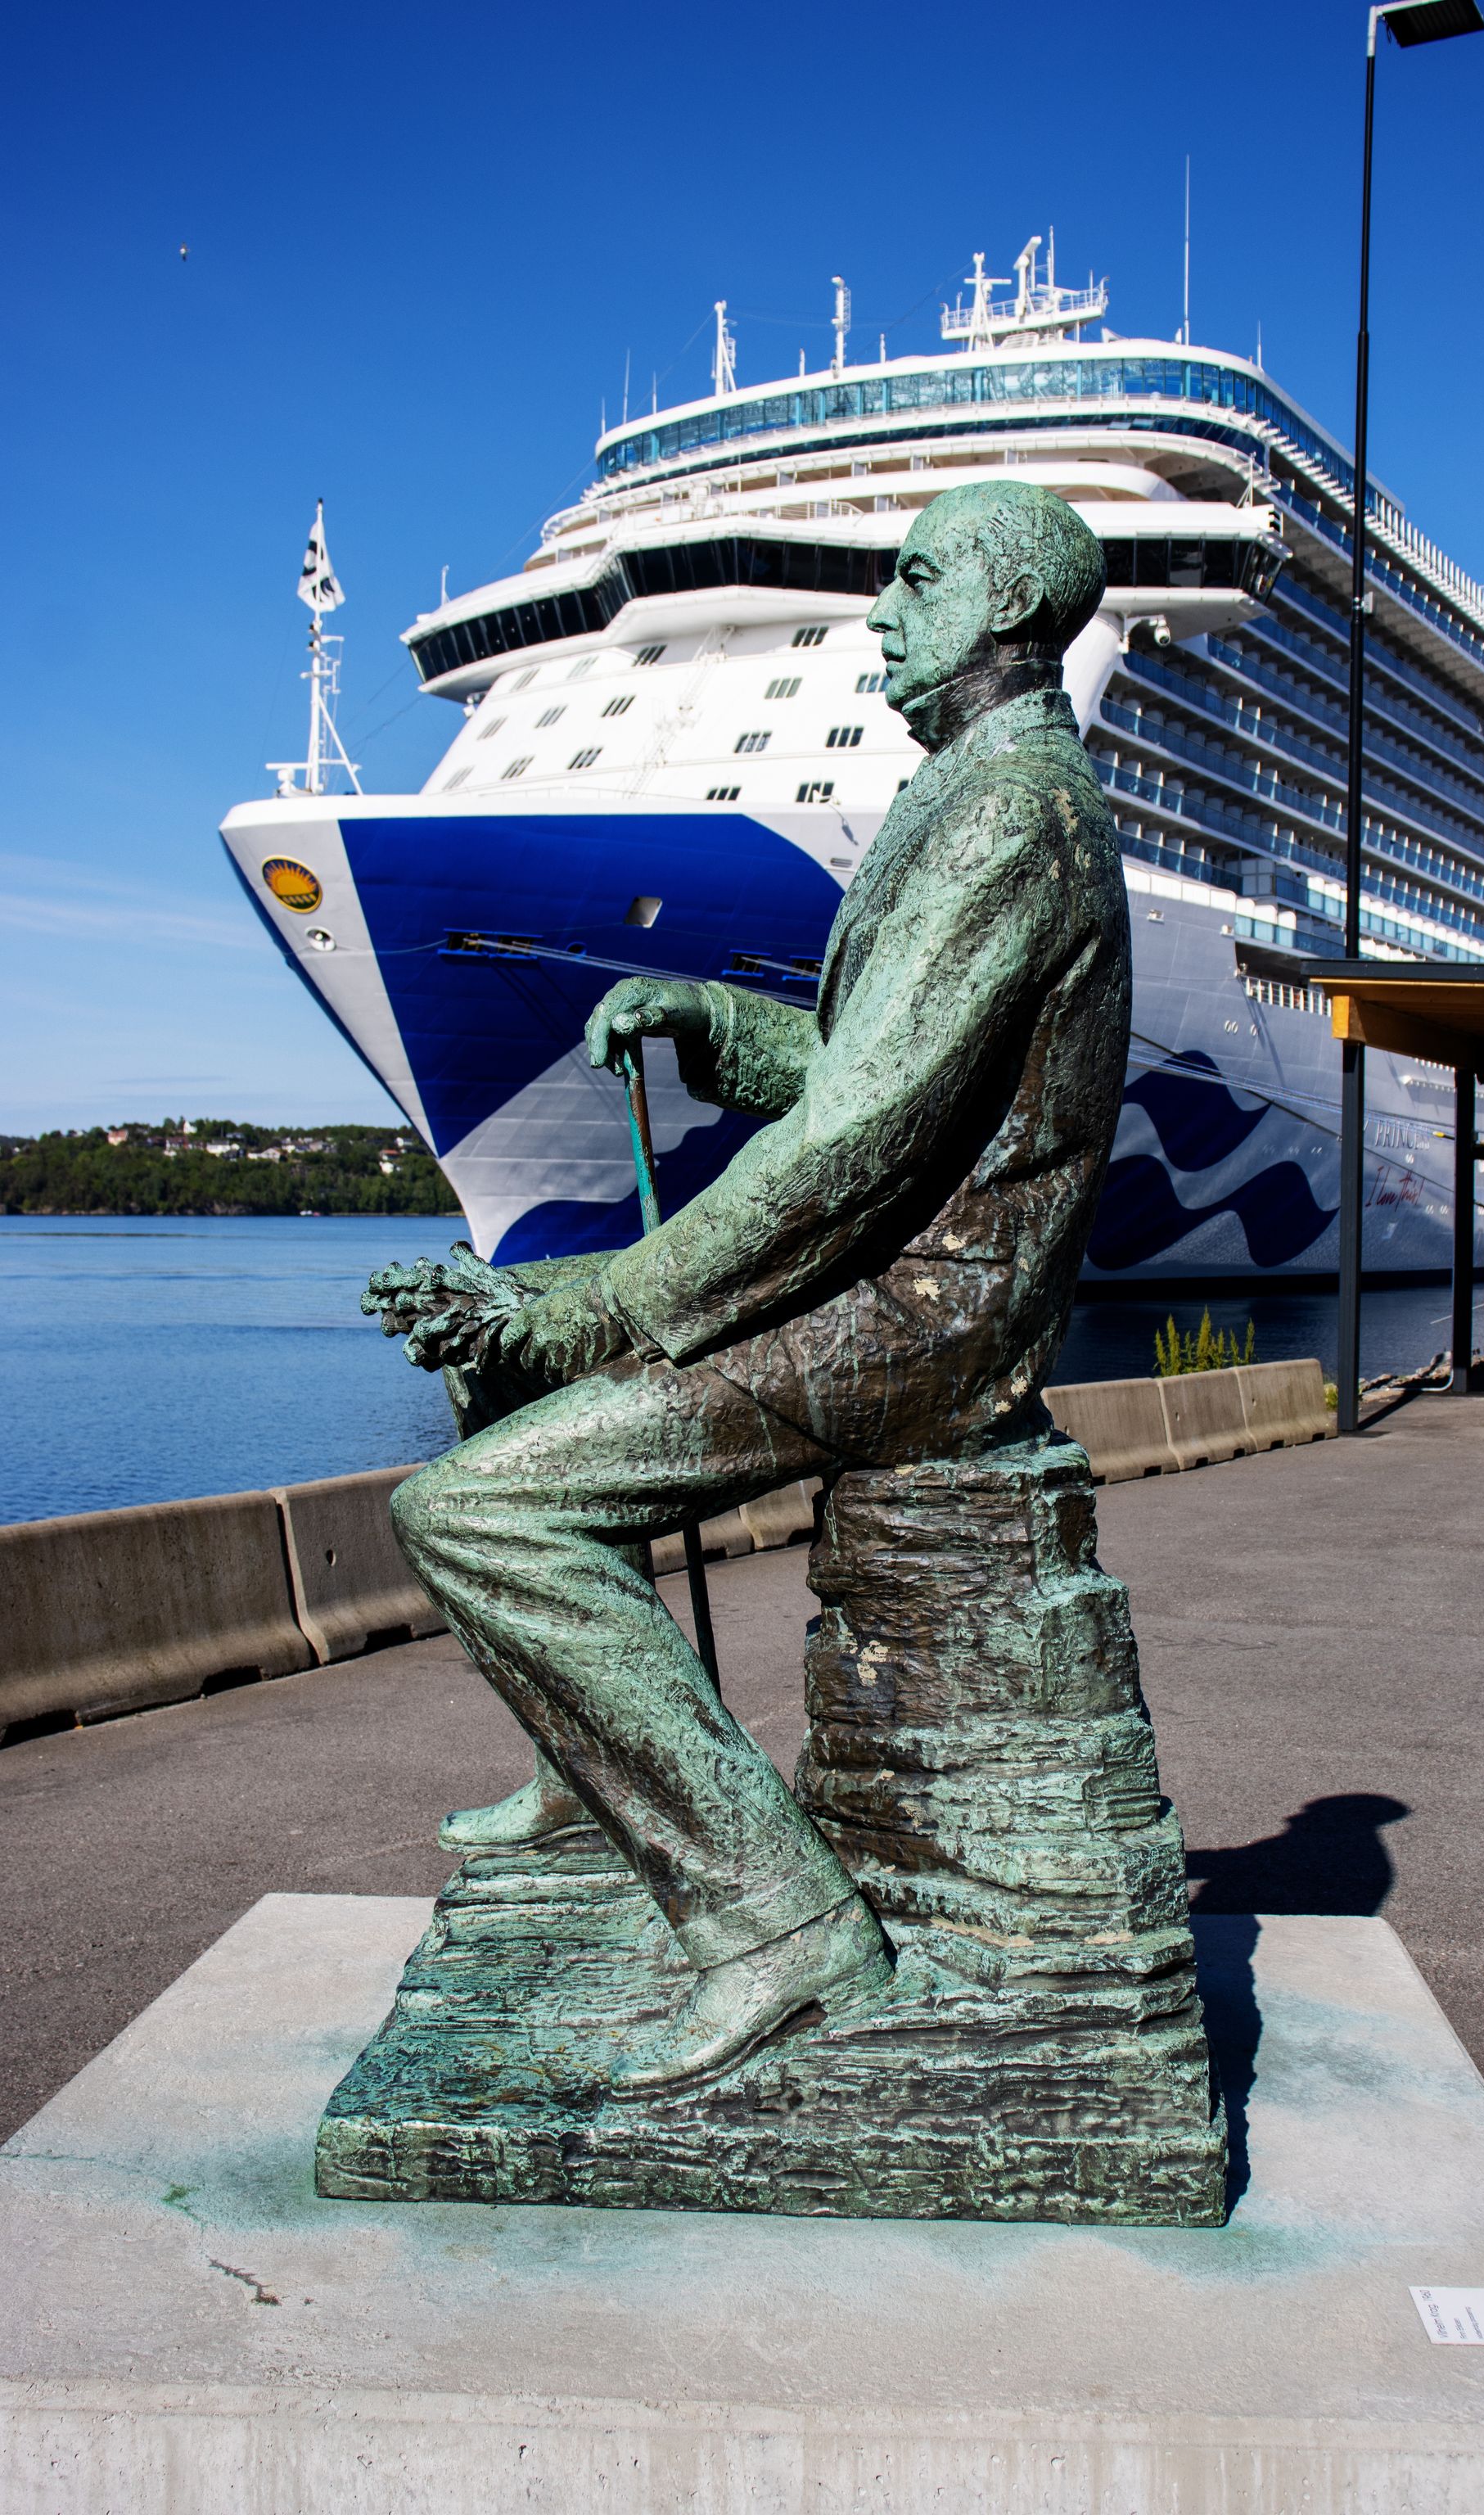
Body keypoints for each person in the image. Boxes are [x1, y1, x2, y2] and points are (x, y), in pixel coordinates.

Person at [363, 479, 1130, 2092]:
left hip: (927, 1315)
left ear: (999, 608)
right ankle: (596, 1786)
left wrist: (596, 1303)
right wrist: (714, 1025)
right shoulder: (972, 794)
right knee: (489, 1377)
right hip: (899, 1272)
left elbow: (859, 1140)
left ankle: (781, 1938)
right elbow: (881, 1070)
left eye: (912, 580)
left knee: (478, 1511)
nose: (877, 613)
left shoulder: (1011, 811)